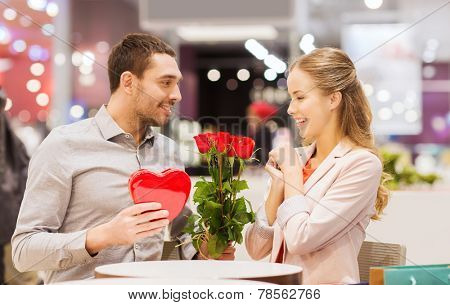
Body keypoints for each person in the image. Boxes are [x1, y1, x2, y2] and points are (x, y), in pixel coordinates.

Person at [12, 33, 234, 284]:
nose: (177, 95)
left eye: (178, 83)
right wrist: (103, 236)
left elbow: (172, 247)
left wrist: (202, 252)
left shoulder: (169, 152)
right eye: (166, 83)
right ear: (128, 82)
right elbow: (24, 251)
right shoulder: (63, 145)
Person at [245, 47, 389, 284]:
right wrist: (276, 191)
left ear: (333, 98)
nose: (290, 109)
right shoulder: (296, 159)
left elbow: (301, 240)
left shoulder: (361, 164)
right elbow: (255, 248)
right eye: (291, 98)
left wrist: (291, 177)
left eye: (300, 97)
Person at [245, 101, 276, 165]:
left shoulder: (265, 132)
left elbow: (263, 154)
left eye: (252, 114)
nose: (248, 117)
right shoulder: (253, 130)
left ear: (260, 116)